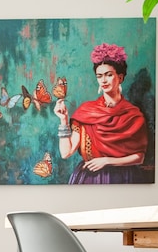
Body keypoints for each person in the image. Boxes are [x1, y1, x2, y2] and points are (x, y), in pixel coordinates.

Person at [53, 42, 148, 184]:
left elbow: (139, 157)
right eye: (99, 76)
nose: (103, 80)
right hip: (89, 177)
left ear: (120, 77)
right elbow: (66, 153)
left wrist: (107, 161)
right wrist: (64, 120)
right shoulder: (86, 112)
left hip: (122, 178)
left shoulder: (133, 116)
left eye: (109, 75)